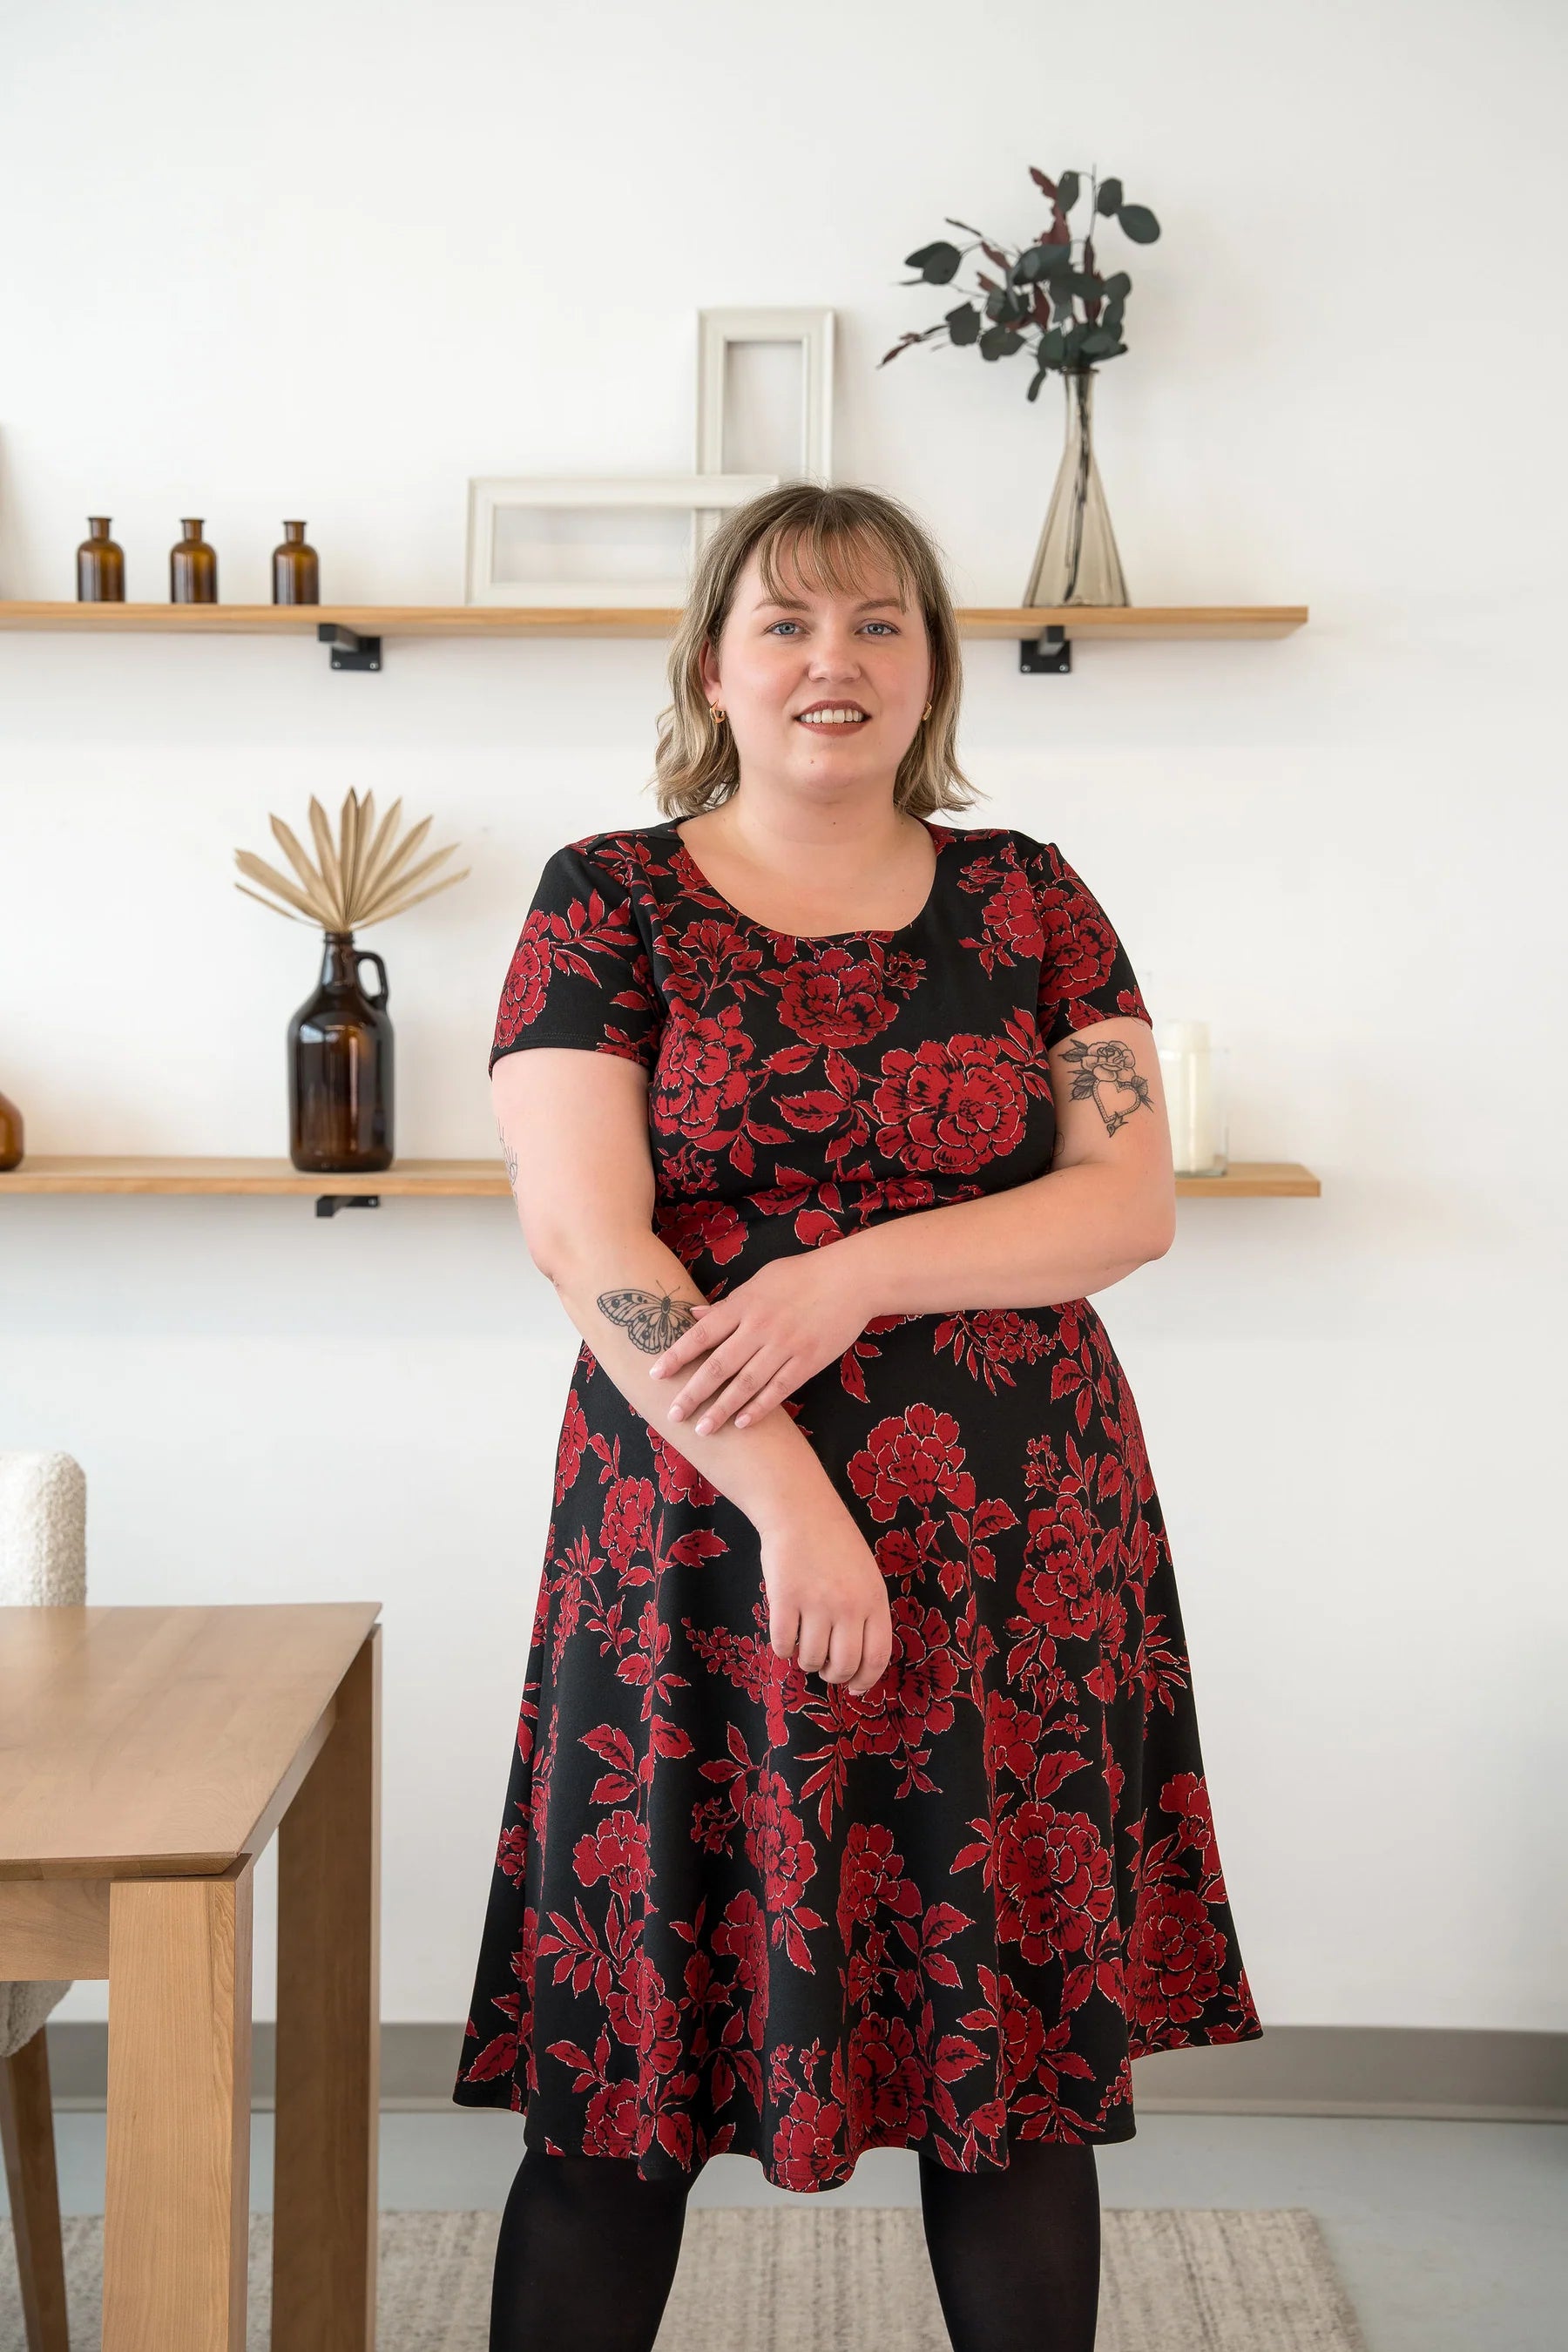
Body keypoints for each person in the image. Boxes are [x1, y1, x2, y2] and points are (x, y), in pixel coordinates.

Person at [453, 483, 1263, 2352]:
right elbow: (586, 1234)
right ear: (718, 667)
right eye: (792, 624)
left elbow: (1123, 1204)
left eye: (881, 624)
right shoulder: (607, 896)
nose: (837, 660)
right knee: (628, 2077)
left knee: (1013, 2084)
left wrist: (852, 1274)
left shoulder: (1034, 894)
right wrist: (797, 1506)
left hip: (1017, 1547)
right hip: (698, 1539)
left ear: (930, 672)